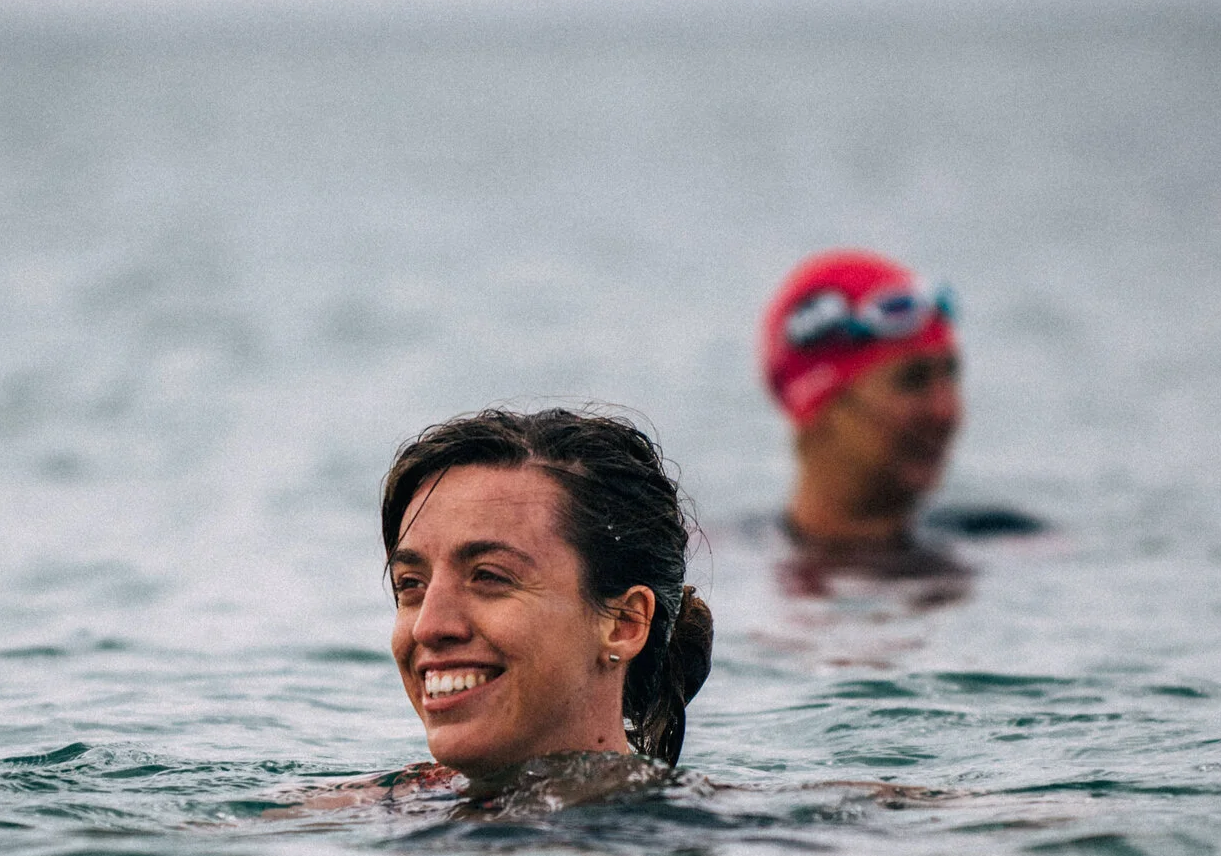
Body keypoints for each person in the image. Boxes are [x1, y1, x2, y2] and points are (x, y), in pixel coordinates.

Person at [367, 406, 715, 811]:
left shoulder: (748, 832)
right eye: (410, 584)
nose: (428, 627)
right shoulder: (360, 810)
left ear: (624, 622)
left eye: (489, 577)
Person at [760, 248, 999, 588]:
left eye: (951, 376)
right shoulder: (709, 562)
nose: (945, 411)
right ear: (821, 407)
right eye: (912, 381)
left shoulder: (1019, 546)